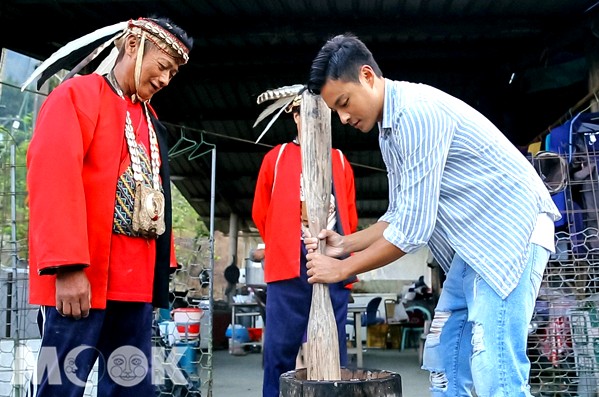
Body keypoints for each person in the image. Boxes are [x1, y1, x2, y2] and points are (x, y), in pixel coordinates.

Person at [303, 33, 561, 397]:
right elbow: (400, 213)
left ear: (367, 76)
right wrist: (345, 243)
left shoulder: (415, 113)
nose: (343, 117)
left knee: (495, 370)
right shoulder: (389, 130)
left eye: (344, 103)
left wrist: (343, 269)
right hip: (474, 244)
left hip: (509, 233)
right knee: (446, 356)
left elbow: (413, 230)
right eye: (336, 111)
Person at [25, 17, 193, 396]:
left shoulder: (151, 120)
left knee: (130, 387)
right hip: (82, 283)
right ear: (132, 45)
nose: (166, 79)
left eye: (173, 73)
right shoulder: (76, 96)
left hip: (134, 286)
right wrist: (67, 268)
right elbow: (52, 180)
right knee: (59, 385)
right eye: (163, 66)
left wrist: (157, 278)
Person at [252, 92, 358, 397]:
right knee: (279, 350)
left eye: (320, 115)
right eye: (305, 114)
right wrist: (284, 241)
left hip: (332, 260)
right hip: (289, 260)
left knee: (333, 350)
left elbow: (349, 211)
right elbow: (261, 211)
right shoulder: (277, 156)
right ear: (295, 117)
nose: (312, 121)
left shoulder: (339, 159)